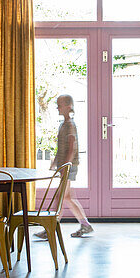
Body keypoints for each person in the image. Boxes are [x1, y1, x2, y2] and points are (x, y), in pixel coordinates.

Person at [39, 94, 93, 238]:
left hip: (69, 166)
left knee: (60, 196)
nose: (57, 107)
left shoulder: (70, 125)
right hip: (65, 166)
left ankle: (50, 229)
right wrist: (55, 161)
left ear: (68, 107)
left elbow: (71, 147)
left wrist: (65, 167)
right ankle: (85, 224)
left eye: (60, 105)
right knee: (67, 197)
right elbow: (61, 147)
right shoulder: (64, 124)